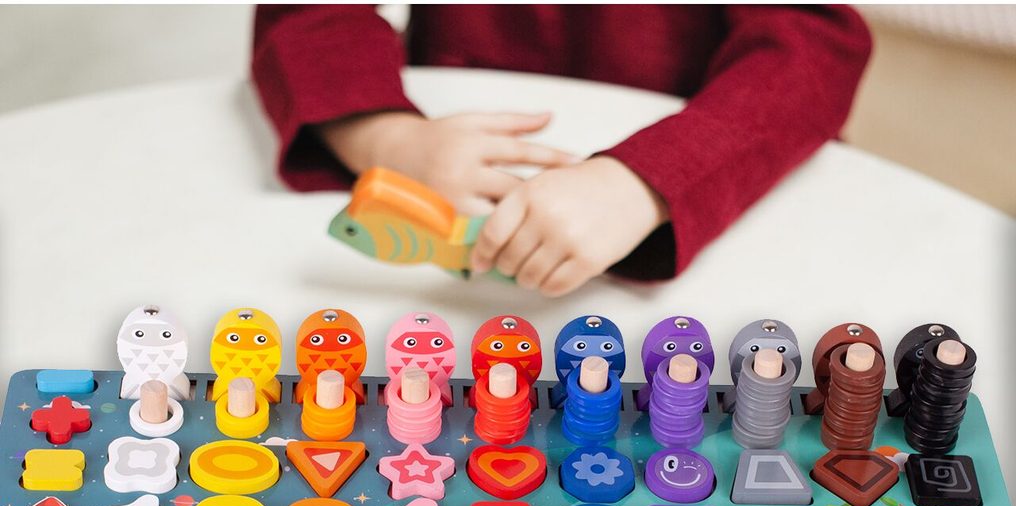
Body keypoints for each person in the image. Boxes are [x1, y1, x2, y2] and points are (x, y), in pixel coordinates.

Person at [252, 5, 871, 296]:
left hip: (715, 197)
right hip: (452, 182)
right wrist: (385, 135)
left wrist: (651, 180)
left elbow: (813, 50)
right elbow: (305, 15)